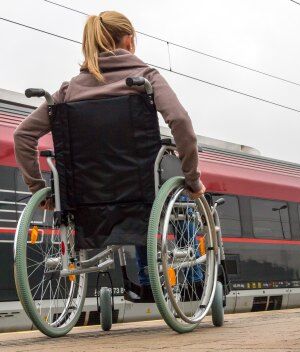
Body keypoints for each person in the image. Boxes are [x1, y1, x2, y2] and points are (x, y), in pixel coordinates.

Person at [13, 10, 205, 298]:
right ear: (129, 40)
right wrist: (192, 179)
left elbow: (22, 135)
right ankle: (190, 284)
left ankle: (146, 281)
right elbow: (180, 122)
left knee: (144, 199)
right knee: (179, 206)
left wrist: (40, 189)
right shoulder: (146, 77)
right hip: (140, 195)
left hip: (83, 200)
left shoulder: (68, 90)